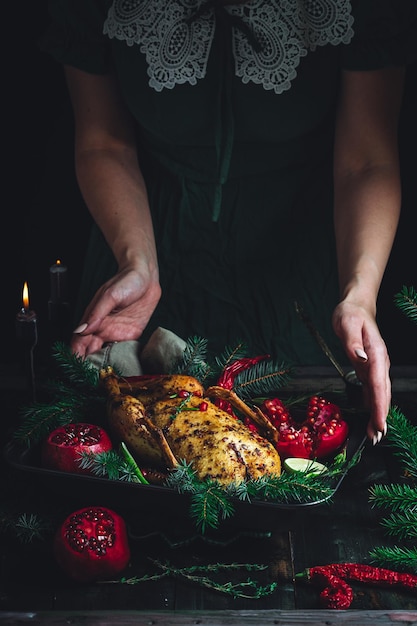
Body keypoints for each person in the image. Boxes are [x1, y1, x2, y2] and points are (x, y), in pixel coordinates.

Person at [41, 0, 417, 444]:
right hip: (145, 248)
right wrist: (136, 262)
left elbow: (366, 162)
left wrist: (360, 296)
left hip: (299, 285)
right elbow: (104, 142)